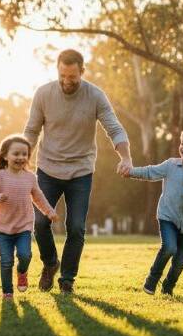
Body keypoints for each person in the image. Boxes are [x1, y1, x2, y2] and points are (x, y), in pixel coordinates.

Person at [24, 49, 132, 294]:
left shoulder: (95, 95)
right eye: (63, 75)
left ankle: (67, 279)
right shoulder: (43, 93)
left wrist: (125, 157)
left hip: (81, 171)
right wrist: (22, 159)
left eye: (72, 77)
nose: (67, 81)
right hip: (47, 169)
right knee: (40, 222)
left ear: (82, 72)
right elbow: (31, 130)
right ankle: (51, 263)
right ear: (58, 70)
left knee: (76, 227)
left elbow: (114, 128)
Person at [122, 125, 183, 296]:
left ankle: (168, 288)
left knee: (179, 262)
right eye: (182, 143)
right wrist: (131, 172)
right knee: (169, 248)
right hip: (167, 216)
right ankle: (152, 280)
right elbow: (151, 172)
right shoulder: (171, 165)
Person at [0, 135, 59, 299]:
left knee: (25, 255)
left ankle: (22, 271)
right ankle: (8, 292)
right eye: (16, 154)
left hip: (23, 226)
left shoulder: (31, 178)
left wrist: (49, 211)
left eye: (24, 154)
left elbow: (38, 197)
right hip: (3, 227)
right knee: (6, 261)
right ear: (5, 156)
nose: (21, 157)